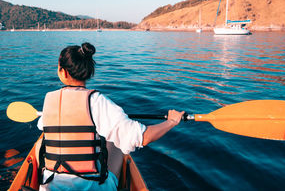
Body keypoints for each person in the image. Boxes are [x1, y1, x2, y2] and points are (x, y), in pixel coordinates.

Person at [36, 42, 184, 191]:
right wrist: (171, 121)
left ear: (64, 72)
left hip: (51, 185)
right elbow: (143, 137)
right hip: (90, 187)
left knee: (42, 141)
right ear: (88, 71)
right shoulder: (97, 101)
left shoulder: (49, 99)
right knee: (115, 144)